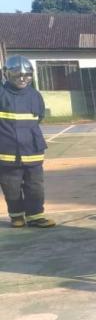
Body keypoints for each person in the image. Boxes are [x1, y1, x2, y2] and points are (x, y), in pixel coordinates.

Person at [0, 56, 55, 228]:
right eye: (17, 75)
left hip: (32, 150)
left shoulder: (35, 95)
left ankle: (36, 216)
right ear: (7, 75)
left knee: (35, 186)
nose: (22, 78)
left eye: (27, 75)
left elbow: (39, 118)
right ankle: (17, 216)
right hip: (7, 151)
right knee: (12, 187)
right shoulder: (2, 93)